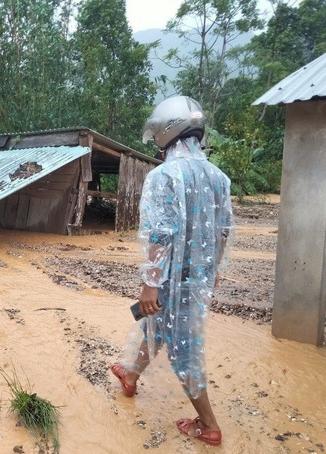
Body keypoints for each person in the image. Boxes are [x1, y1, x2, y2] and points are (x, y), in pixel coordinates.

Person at [110, 96, 233, 446]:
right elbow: (222, 230)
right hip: (197, 276)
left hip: (168, 277)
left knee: (184, 347)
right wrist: (214, 269)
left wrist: (150, 283)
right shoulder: (219, 178)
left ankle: (208, 425)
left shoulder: (163, 175)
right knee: (158, 325)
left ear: (167, 130)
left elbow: (161, 233)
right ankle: (130, 374)